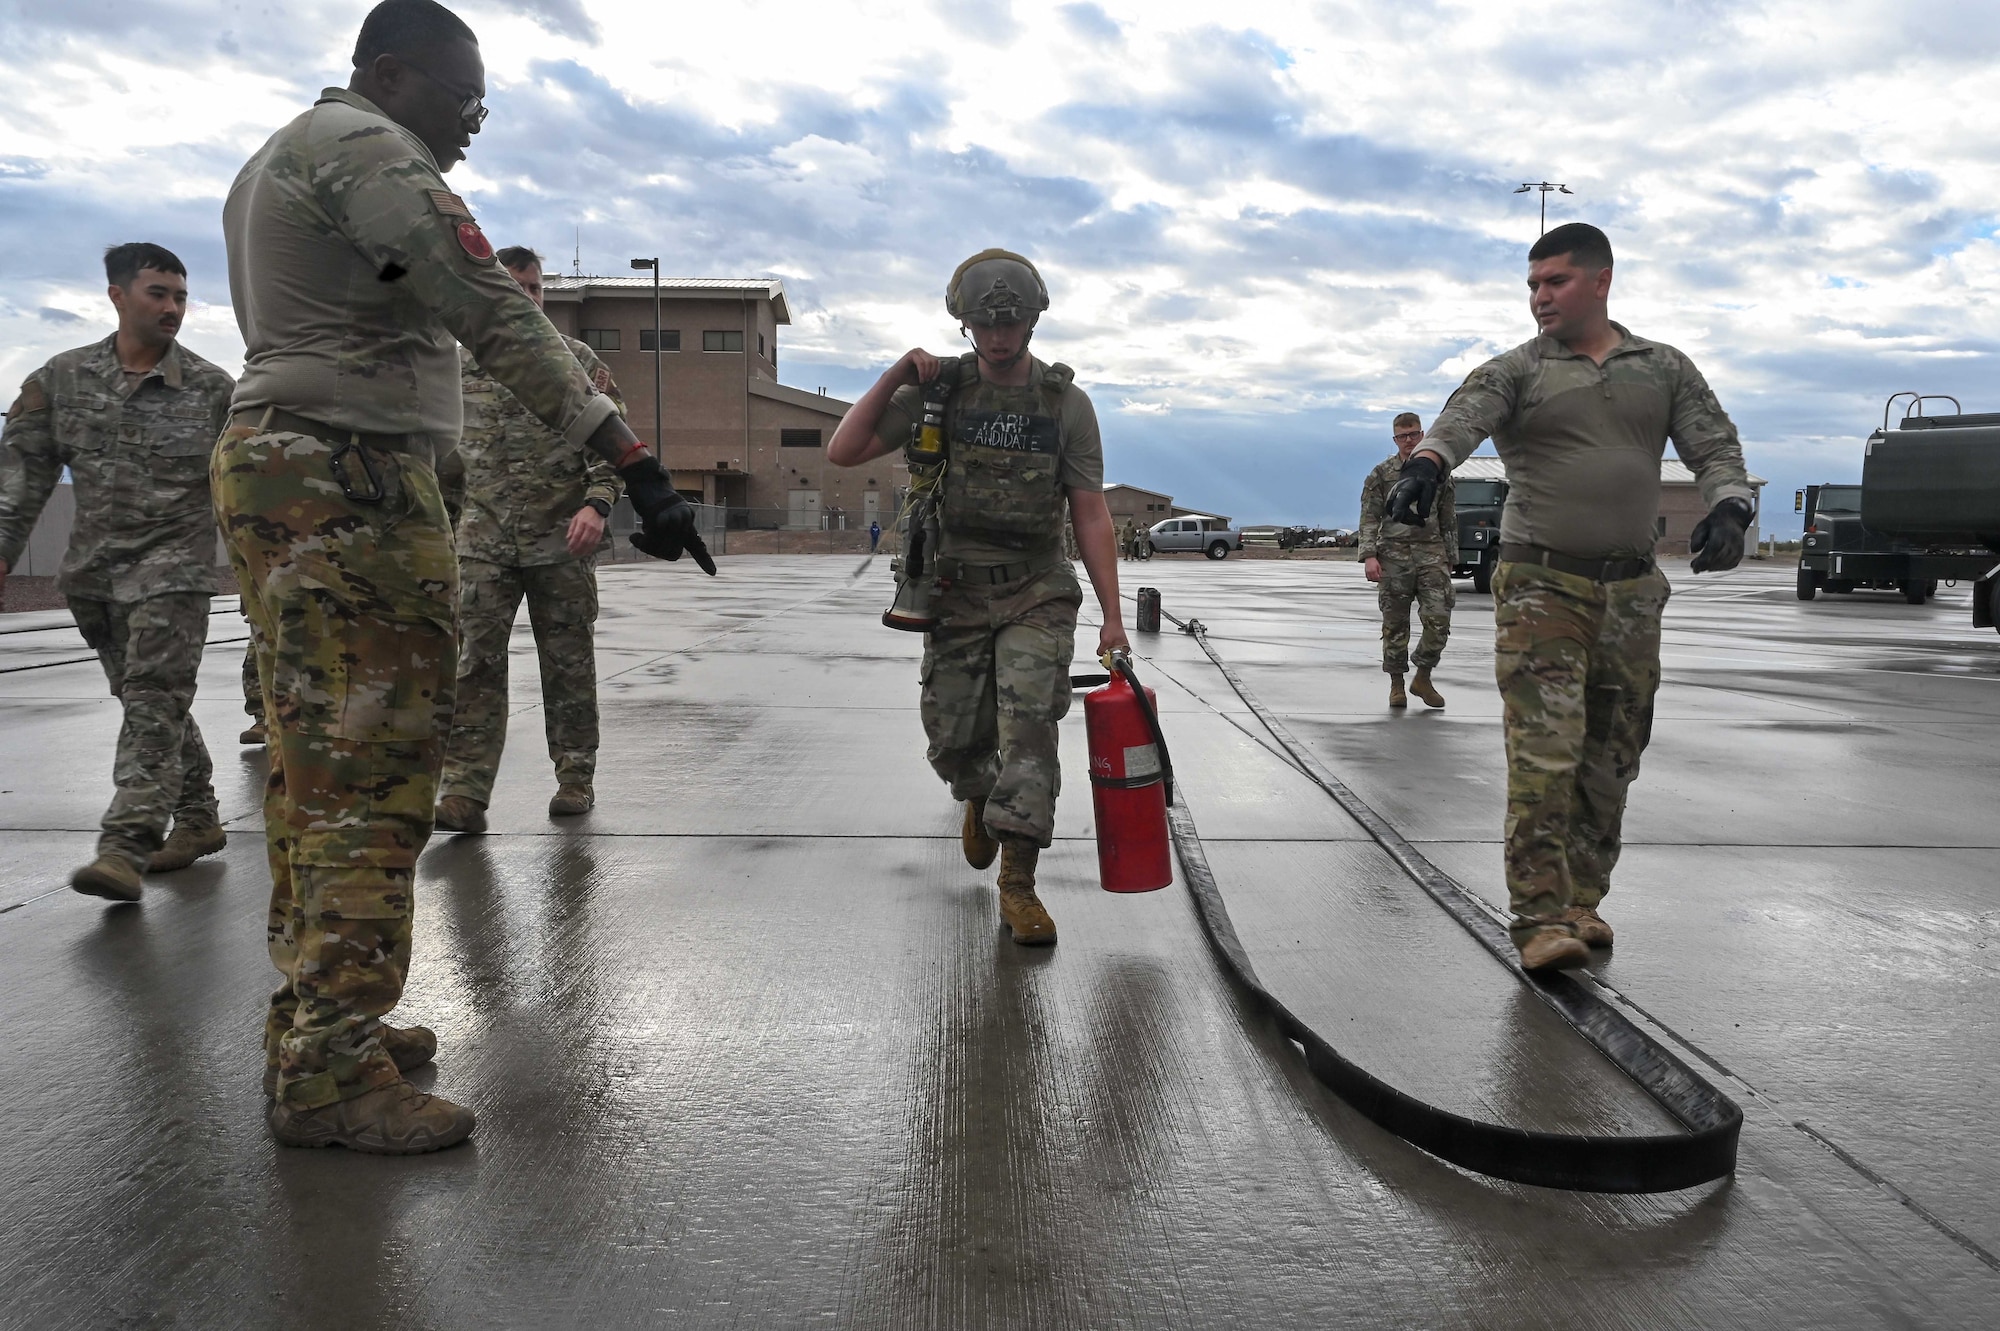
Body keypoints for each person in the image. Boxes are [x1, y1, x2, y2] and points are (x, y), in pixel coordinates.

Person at [216, 0, 709, 1155]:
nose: (474, 124)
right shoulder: (369, 152)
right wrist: (631, 459)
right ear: (393, 74)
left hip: (299, 471)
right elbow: (485, 307)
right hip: (348, 482)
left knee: (316, 758)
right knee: (373, 765)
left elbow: (408, 292)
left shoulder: (290, 156)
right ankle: (329, 1069)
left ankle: (318, 1019)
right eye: (464, 98)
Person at [1386, 223, 1753, 972]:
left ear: (1600, 281)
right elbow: (1463, 419)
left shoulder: (1663, 368)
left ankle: (1583, 900)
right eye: (1532, 284)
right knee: (1545, 751)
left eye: (1555, 281)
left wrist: (1730, 505)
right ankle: (1538, 916)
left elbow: (1714, 447)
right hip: (1540, 586)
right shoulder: (1518, 370)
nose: (1540, 297)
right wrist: (1427, 463)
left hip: (1632, 592)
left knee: (1612, 754)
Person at [826, 248, 1128, 945]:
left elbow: (1090, 513)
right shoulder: (940, 392)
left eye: (1010, 323)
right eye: (985, 324)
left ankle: (1019, 882)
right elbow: (844, 450)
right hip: (955, 588)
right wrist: (897, 373)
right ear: (965, 324)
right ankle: (977, 793)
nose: (998, 336)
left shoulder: (1065, 404)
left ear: (1032, 322)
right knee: (953, 738)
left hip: (1036, 589)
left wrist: (1112, 617)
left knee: (1030, 727)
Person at [0, 243, 236, 899]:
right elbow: (21, 478)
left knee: (155, 703)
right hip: (95, 580)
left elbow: (247, 485)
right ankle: (198, 817)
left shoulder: (213, 390)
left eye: (180, 296)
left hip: (175, 575)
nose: (172, 307)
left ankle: (125, 847)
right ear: (117, 295)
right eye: (158, 293)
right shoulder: (63, 380)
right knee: (145, 704)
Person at [434, 245, 624, 829]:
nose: (528, 298)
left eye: (536, 288)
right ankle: (464, 790)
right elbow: (440, 464)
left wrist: (597, 504)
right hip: (481, 542)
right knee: (473, 665)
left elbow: (611, 440)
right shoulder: (454, 370)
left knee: (567, 664)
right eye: (516, 287)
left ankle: (575, 776)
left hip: (561, 539)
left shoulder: (576, 360)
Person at [1357, 411, 1455, 709]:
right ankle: (1397, 684)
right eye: (1402, 436)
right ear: (1395, 439)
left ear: (1422, 435)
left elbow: (1448, 517)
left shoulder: (1437, 472)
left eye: (1413, 434)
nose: (1409, 441)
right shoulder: (1382, 474)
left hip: (1431, 552)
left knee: (1439, 618)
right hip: (1393, 554)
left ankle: (1423, 676)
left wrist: (1451, 556)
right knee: (1395, 624)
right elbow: (1370, 516)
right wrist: (1369, 556)